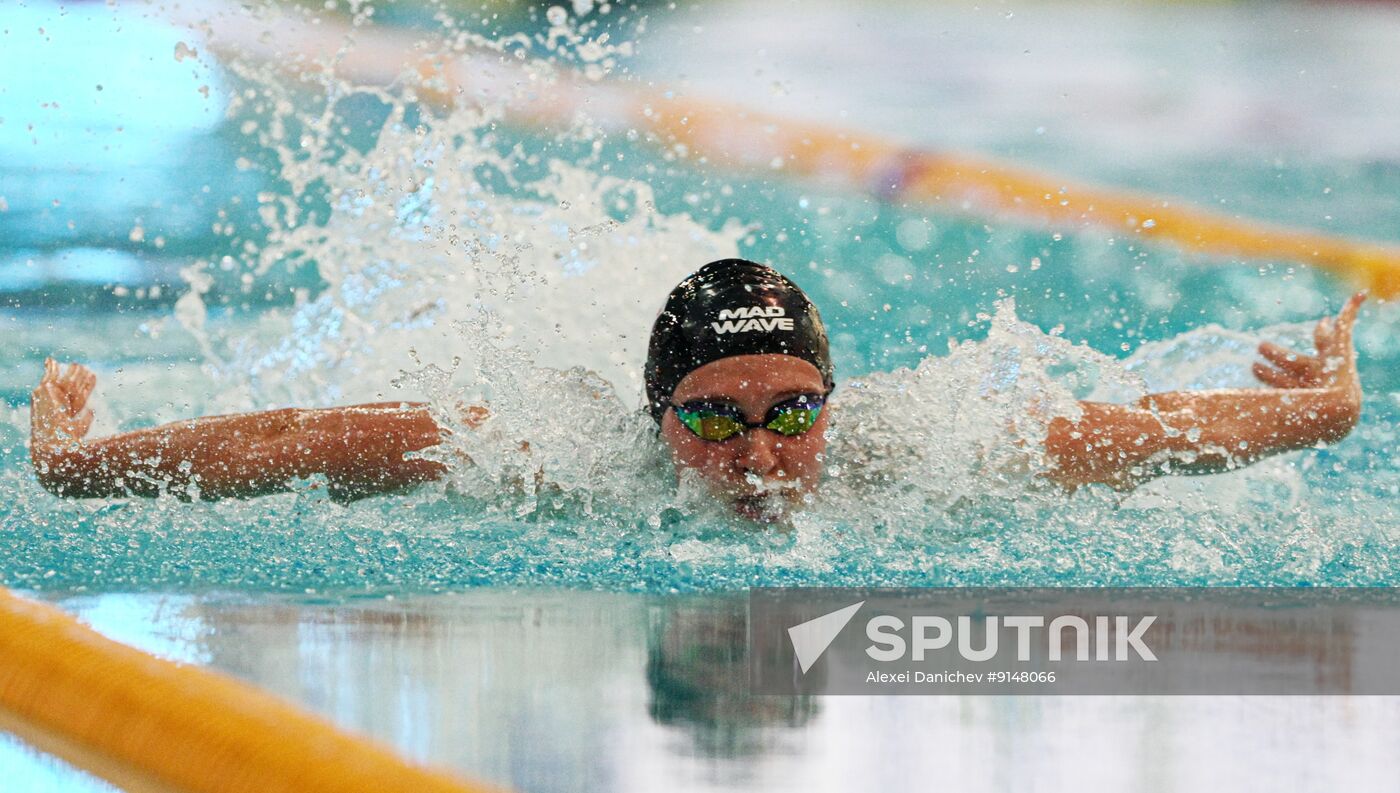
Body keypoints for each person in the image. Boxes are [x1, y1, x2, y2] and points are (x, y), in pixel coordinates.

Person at [28, 258, 1365, 519]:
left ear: (830, 400)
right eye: (712, 419)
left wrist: (1324, 409)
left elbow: (1129, 435)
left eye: (790, 412)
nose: (760, 455)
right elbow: (316, 437)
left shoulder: (921, 449)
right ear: (658, 416)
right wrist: (95, 460)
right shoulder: (554, 461)